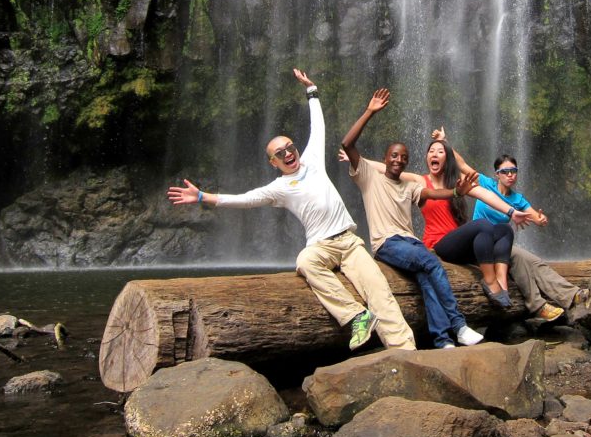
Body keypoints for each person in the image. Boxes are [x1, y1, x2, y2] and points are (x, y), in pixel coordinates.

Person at [167, 69, 415, 352]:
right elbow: (243, 199)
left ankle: (404, 351)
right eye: (280, 153)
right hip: (321, 245)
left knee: (380, 291)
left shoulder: (312, 160)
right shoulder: (278, 188)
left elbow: (318, 127)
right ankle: (356, 315)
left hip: (349, 241)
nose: (287, 153)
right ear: (273, 162)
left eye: (289, 147)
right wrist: (201, 196)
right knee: (305, 261)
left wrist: (312, 91)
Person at [340, 87, 485, 349]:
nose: (398, 160)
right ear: (385, 159)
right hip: (387, 244)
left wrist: (455, 191)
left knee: (426, 278)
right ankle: (459, 325)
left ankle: (442, 340)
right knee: (431, 263)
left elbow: (433, 192)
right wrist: (369, 112)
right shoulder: (369, 177)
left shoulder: (409, 187)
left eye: (403, 157)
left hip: (411, 243)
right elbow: (347, 144)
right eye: (394, 156)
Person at [433, 128, 590, 324]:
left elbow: (534, 216)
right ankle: (537, 305)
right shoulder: (485, 183)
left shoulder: (518, 199)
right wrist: (444, 141)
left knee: (534, 261)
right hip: (479, 245)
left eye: (513, 171)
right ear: (497, 174)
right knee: (522, 260)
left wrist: (541, 219)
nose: (510, 175)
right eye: (505, 172)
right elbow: (461, 164)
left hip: (501, 245)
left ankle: (573, 295)